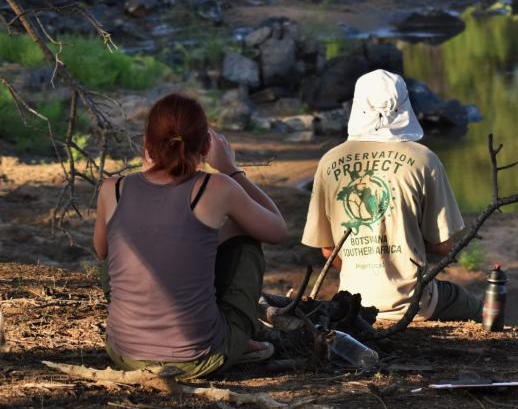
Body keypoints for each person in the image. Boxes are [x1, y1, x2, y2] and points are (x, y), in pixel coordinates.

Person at [93, 93, 287, 379]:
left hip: (124, 354)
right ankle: (235, 338)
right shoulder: (217, 187)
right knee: (245, 240)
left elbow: (101, 251)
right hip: (199, 358)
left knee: (116, 244)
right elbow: (278, 230)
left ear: (146, 144)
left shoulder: (113, 189)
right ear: (207, 145)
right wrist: (231, 170)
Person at [302, 69, 481, 322]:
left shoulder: (329, 161)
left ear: (357, 105)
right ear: (405, 105)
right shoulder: (424, 160)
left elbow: (328, 250)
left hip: (353, 304)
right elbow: (443, 246)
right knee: (478, 308)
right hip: (414, 304)